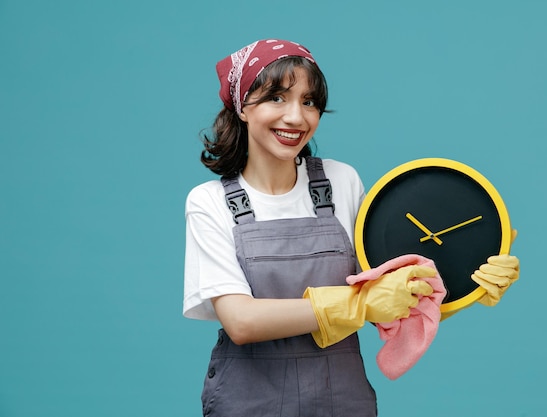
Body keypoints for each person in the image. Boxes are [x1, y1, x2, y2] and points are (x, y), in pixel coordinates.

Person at [183, 39, 520, 416]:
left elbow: (389, 306)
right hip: (249, 402)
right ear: (243, 107)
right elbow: (241, 321)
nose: (296, 117)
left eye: (309, 101)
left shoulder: (341, 181)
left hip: (341, 400)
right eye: (277, 98)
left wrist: (469, 287)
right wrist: (360, 302)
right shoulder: (209, 202)